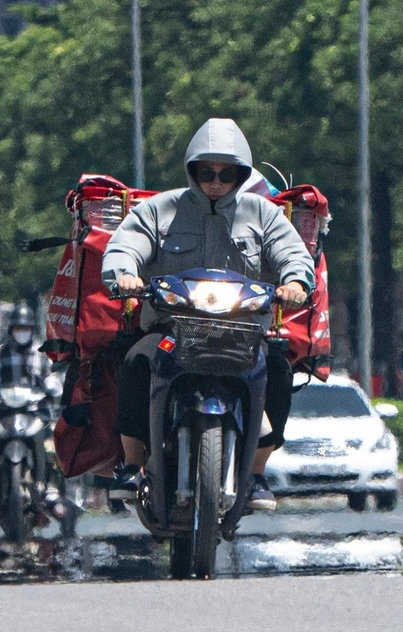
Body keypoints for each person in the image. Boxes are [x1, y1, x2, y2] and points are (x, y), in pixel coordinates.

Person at [101, 117, 315, 510]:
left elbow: (293, 255)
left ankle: (257, 473)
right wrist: (124, 274)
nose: (216, 182)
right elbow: (126, 245)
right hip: (172, 328)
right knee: (135, 361)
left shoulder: (264, 214)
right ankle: (131, 466)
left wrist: (295, 282)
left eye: (226, 173)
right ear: (192, 170)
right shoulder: (159, 209)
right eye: (206, 172)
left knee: (278, 370)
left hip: (242, 332)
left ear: (241, 174)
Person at [0, 303, 63, 522]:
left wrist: (53, 387)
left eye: (26, 328)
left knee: (52, 448)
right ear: (11, 330)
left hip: (35, 414)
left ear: (32, 329)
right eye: (18, 328)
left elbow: (51, 376)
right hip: (3, 414)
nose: (22, 332)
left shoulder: (41, 355)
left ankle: (51, 488)